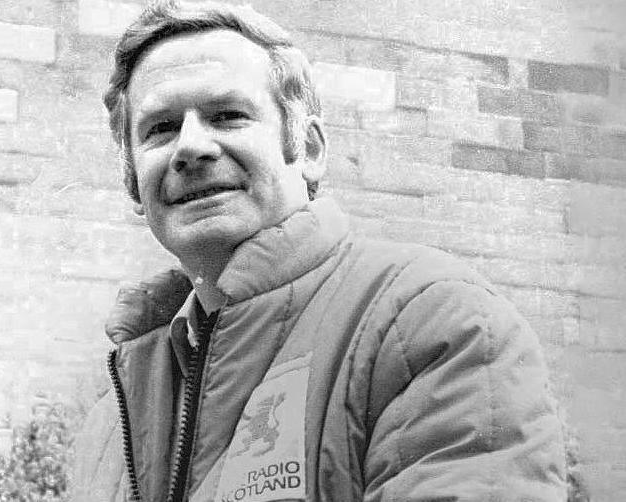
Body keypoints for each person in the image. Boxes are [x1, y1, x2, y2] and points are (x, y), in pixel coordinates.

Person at [72, 1, 568, 501]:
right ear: (133, 181)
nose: (191, 146)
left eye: (227, 116)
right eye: (160, 128)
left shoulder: (432, 324)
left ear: (308, 150)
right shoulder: (107, 429)